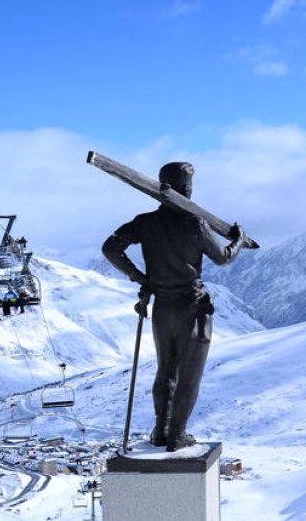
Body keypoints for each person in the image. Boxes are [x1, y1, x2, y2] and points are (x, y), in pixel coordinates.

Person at [102, 161, 245, 452]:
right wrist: (239, 241)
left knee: (166, 371)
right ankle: (177, 435)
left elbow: (110, 248)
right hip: (192, 308)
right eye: (190, 187)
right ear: (184, 189)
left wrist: (140, 277)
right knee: (189, 376)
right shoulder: (195, 224)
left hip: (162, 307)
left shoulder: (145, 222)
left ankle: (161, 430)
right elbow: (223, 257)